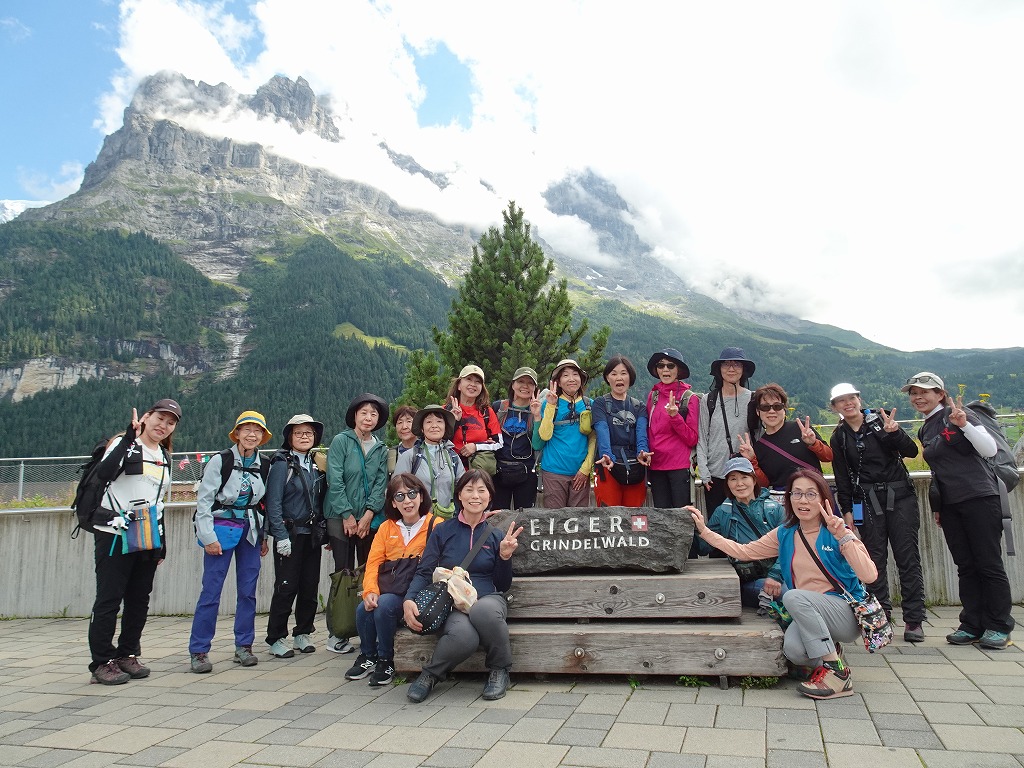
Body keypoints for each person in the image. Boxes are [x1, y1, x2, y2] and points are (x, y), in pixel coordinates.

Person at [687, 469, 878, 700]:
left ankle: (837, 674)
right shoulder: (785, 533)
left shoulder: (835, 531)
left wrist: (844, 537)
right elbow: (744, 552)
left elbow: (869, 576)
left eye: (810, 494)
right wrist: (704, 531)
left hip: (845, 613)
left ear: (823, 499)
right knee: (794, 651)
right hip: (812, 612)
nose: (803, 500)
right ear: (789, 499)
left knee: (792, 596)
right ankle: (832, 651)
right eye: (797, 494)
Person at [905, 371, 1014, 649]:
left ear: (940, 394)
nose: (918, 397)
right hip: (951, 505)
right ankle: (972, 624)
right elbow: (940, 471)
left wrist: (964, 424)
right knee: (965, 566)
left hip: (980, 497)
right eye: (914, 393)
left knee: (988, 563)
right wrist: (939, 507)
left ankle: (999, 625)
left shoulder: (957, 414)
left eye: (924, 392)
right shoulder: (925, 428)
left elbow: (989, 450)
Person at [403, 469, 524, 703]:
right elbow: (425, 570)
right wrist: (409, 599)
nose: (475, 496)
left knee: (482, 610)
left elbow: (502, 584)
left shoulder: (495, 535)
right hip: (453, 603)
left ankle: (500, 670)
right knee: (463, 636)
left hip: (487, 599)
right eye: (469, 490)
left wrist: (505, 557)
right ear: (459, 495)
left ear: (489, 496)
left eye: (481, 490)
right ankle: (430, 675)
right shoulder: (442, 531)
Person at [87, 399, 180, 685]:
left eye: (170, 422)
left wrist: (162, 543)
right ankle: (101, 662)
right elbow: (104, 473)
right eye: (159, 418)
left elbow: (158, 502)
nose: (163, 426)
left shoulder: (163, 456)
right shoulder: (123, 444)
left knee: (139, 599)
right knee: (109, 598)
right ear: (146, 417)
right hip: (114, 533)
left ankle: (127, 653)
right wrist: (129, 437)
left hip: (147, 535)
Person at [830, 383, 925, 643]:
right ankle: (881, 618)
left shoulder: (880, 421)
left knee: (907, 557)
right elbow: (842, 477)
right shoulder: (839, 437)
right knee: (873, 561)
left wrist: (895, 433)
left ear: (859, 399)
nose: (848, 403)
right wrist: (847, 510)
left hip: (900, 496)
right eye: (841, 400)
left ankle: (914, 620)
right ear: (835, 407)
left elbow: (911, 451)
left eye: (851, 398)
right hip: (866, 501)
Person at [189, 411, 271, 672]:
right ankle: (199, 650)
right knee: (211, 591)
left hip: (250, 531)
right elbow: (204, 500)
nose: (251, 435)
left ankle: (244, 646)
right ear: (236, 433)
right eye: (246, 429)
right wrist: (207, 536)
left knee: (248, 591)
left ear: (263, 436)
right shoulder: (220, 460)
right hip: (221, 529)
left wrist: (264, 537)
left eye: (257, 431)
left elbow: (263, 503)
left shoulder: (264, 463)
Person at [346, 473, 437, 687]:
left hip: (419, 594)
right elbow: (373, 563)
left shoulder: (435, 525)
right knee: (363, 608)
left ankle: (386, 659)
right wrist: (370, 591)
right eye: (400, 496)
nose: (407, 501)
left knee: (385, 605)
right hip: (391, 589)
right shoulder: (386, 528)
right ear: (393, 503)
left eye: (412, 494)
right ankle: (368, 655)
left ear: (421, 496)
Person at [325, 393, 389, 654]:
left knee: (368, 572)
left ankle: (367, 631)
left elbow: (380, 483)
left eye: (374, 414)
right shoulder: (341, 441)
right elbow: (335, 478)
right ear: (354, 416)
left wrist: (369, 514)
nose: (368, 418)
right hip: (339, 516)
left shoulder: (381, 448)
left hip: (369, 519)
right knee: (342, 573)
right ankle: (337, 633)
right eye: (364, 412)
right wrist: (347, 515)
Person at [264, 414, 328, 660]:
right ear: (289, 437)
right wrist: (279, 535)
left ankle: (303, 632)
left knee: (310, 586)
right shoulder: (282, 464)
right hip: (290, 535)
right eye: (298, 433)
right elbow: (273, 502)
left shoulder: (316, 464)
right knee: (286, 586)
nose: (304, 437)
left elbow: (321, 500)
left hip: (311, 535)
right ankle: (276, 637)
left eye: (309, 433)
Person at [696, 457, 784, 608]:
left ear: (754, 480)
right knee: (787, 596)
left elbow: (790, 546)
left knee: (792, 594)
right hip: (748, 580)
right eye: (733, 479)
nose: (739, 484)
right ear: (727, 484)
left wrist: (775, 575)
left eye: (744, 477)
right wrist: (691, 526)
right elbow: (703, 547)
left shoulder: (774, 509)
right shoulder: (723, 512)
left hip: (778, 577)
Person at [738, 383, 832, 494]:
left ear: (784, 409)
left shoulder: (800, 429)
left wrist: (813, 443)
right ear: (758, 412)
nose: (771, 411)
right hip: (783, 498)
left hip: (814, 493)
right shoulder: (759, 448)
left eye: (777, 406)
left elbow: (828, 457)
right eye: (765, 407)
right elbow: (764, 484)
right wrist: (752, 461)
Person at [696, 347, 755, 515]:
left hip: (744, 475)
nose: (731, 369)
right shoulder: (709, 400)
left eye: (737, 364)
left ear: (743, 369)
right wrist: (704, 472)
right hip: (715, 475)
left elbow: (758, 436)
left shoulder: (753, 399)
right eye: (726, 364)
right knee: (717, 524)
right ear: (719, 369)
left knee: (746, 522)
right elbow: (702, 437)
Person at [592, 355, 652, 508]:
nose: (619, 378)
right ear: (607, 378)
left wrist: (642, 451)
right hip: (608, 465)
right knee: (608, 515)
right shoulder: (600, 404)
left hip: (635, 465)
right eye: (614, 373)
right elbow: (602, 429)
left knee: (635, 515)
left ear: (630, 377)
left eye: (623, 373)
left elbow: (641, 432)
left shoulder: (639, 407)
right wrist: (607, 455)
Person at [536, 359, 596, 508]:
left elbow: (594, 438)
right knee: (554, 519)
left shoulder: (589, 404)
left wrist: (586, 469)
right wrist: (551, 406)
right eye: (565, 375)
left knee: (579, 519)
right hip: (553, 471)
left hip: (580, 472)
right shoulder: (549, 403)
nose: (571, 379)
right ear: (558, 382)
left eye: (575, 374)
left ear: (581, 379)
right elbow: (544, 435)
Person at [643, 348, 698, 509]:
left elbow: (692, 438)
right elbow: (649, 430)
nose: (665, 369)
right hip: (656, 465)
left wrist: (675, 417)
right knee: (662, 517)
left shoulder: (689, 398)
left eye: (670, 365)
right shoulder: (653, 396)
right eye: (661, 365)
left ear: (678, 370)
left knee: (682, 516)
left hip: (679, 466)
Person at [394, 404, 466, 517]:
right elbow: (396, 489)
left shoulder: (453, 457)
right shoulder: (410, 456)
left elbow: (464, 488)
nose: (434, 426)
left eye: (439, 421)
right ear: (422, 428)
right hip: (418, 521)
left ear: (445, 427)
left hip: (448, 520)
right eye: (428, 422)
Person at [492, 367, 542, 511]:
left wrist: (537, 416)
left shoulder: (538, 411)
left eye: (530, 383)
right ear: (513, 384)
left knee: (524, 517)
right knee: (498, 516)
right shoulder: (499, 407)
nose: (525, 386)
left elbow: (538, 444)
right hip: (499, 470)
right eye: (521, 381)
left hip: (527, 472)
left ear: (535, 388)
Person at [446, 364, 503, 470]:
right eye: (468, 379)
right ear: (459, 385)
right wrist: (454, 421)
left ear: (482, 388)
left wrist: (476, 446)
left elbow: (499, 443)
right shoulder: (445, 411)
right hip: (450, 470)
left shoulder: (487, 412)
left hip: (478, 472)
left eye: (478, 382)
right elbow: (437, 441)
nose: (473, 384)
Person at [387, 405, 418, 475]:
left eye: (409, 421)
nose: (404, 427)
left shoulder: (426, 452)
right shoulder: (391, 454)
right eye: (400, 422)